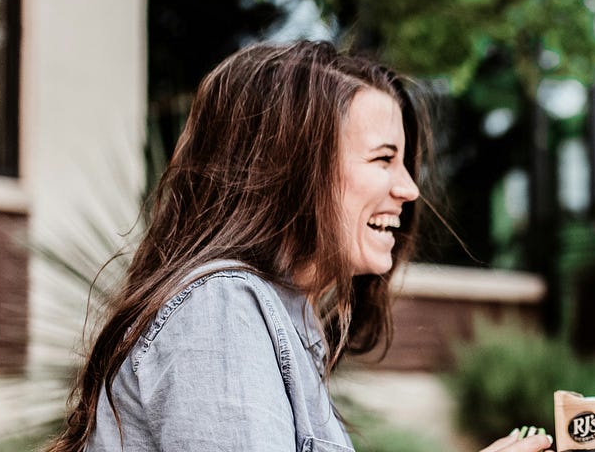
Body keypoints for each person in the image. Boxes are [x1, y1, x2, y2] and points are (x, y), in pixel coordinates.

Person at [46, 41, 552, 452]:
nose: (409, 189)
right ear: (294, 169)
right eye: (383, 159)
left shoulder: (282, 318)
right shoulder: (220, 311)